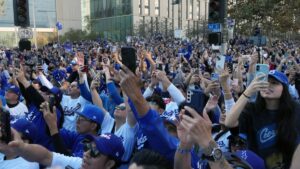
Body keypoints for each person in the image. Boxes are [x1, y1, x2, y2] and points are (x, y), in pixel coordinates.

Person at [225, 70, 300, 168]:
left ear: (284, 88)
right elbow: (229, 122)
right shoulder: (251, 110)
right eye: (265, 81)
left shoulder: (295, 110)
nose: (268, 85)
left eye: (274, 83)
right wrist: (249, 90)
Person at [5, 131, 125, 169]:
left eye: (95, 151)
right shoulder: (80, 164)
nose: (86, 153)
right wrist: (22, 148)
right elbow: (46, 156)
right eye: (88, 147)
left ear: (109, 164)